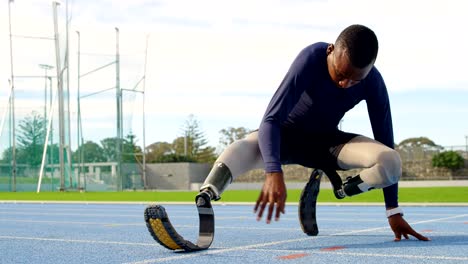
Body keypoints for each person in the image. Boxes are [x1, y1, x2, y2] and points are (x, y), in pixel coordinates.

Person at [198, 24, 430, 242]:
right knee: (241, 146)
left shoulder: (373, 82)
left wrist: (393, 211)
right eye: (340, 74)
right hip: (286, 139)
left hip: (326, 146)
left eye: (354, 80)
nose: (344, 84)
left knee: (391, 161)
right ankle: (207, 195)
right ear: (330, 50)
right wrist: (273, 172)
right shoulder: (311, 58)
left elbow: (385, 140)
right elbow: (271, 119)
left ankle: (343, 189)